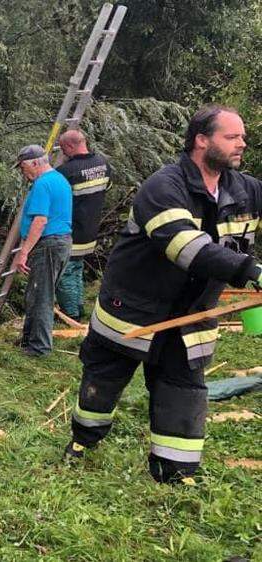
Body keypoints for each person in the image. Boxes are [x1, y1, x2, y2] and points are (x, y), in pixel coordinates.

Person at [65, 105, 262, 484]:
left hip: (191, 314)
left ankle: (174, 472)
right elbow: (186, 247)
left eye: (242, 136)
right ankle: (82, 441)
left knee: (183, 391)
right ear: (202, 141)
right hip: (133, 311)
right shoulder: (163, 186)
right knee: (101, 385)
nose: (243, 143)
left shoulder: (245, 190)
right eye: (232, 136)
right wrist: (250, 271)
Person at [11, 144, 73, 357]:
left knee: (41, 296)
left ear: (36, 163)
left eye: (23, 167)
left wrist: (24, 251)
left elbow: (40, 220)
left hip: (48, 244)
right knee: (36, 293)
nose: (23, 172)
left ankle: (39, 348)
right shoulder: (58, 180)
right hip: (59, 244)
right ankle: (28, 340)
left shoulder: (43, 184)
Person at [54, 129, 113, 321]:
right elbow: (107, 188)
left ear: (70, 146)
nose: (63, 154)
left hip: (72, 231)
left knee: (66, 273)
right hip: (91, 230)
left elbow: (55, 200)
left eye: (63, 149)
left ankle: (70, 314)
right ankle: (77, 307)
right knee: (76, 269)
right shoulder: (103, 164)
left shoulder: (66, 172)